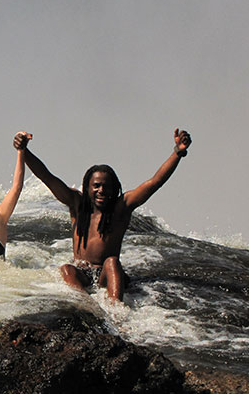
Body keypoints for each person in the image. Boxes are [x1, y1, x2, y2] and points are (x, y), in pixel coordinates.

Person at [14, 128, 192, 302]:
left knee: (112, 262)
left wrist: (177, 152)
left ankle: (116, 309)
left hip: (106, 275)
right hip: (82, 273)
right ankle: (84, 305)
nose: (101, 191)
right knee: (67, 269)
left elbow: (155, 182)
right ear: (88, 187)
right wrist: (24, 151)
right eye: (97, 185)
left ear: (115, 189)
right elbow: (46, 177)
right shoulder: (77, 203)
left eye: (107, 187)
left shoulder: (121, 207)